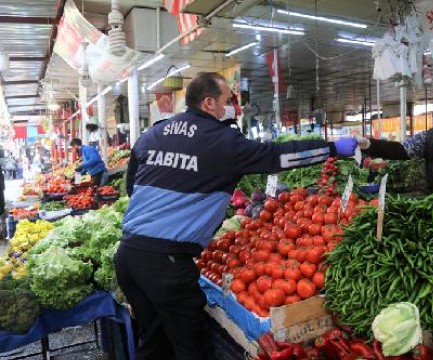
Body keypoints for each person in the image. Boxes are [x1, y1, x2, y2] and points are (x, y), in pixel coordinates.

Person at [114, 71, 356, 360]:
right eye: (228, 100)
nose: (233, 107)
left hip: (128, 255)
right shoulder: (221, 141)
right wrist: (331, 149)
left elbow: (132, 188)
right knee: (192, 346)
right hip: (165, 264)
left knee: (154, 342)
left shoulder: (153, 133)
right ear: (209, 103)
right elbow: (278, 157)